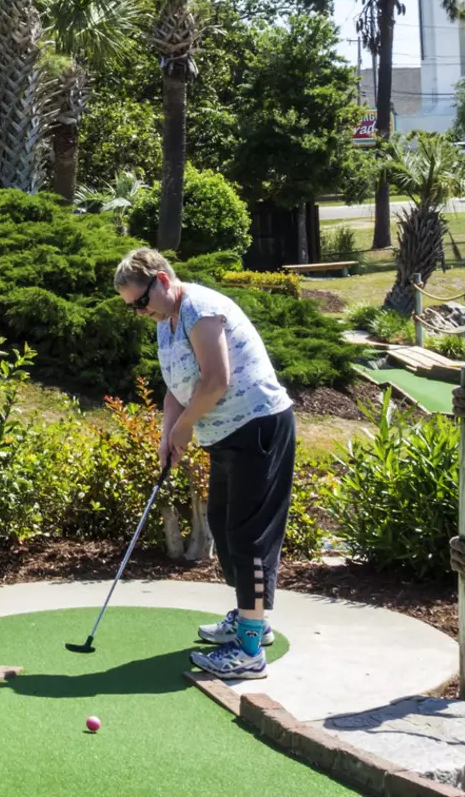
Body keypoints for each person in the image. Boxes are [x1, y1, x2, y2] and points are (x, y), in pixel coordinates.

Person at [113, 247, 295, 678]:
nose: (140, 313)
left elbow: (217, 380)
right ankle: (252, 620)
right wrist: (167, 436)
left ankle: (250, 651)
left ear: (161, 281)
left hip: (258, 427)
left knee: (249, 534)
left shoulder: (200, 308)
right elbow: (177, 388)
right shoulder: (167, 321)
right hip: (227, 435)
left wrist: (186, 428)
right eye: (132, 309)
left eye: (141, 302)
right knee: (224, 523)